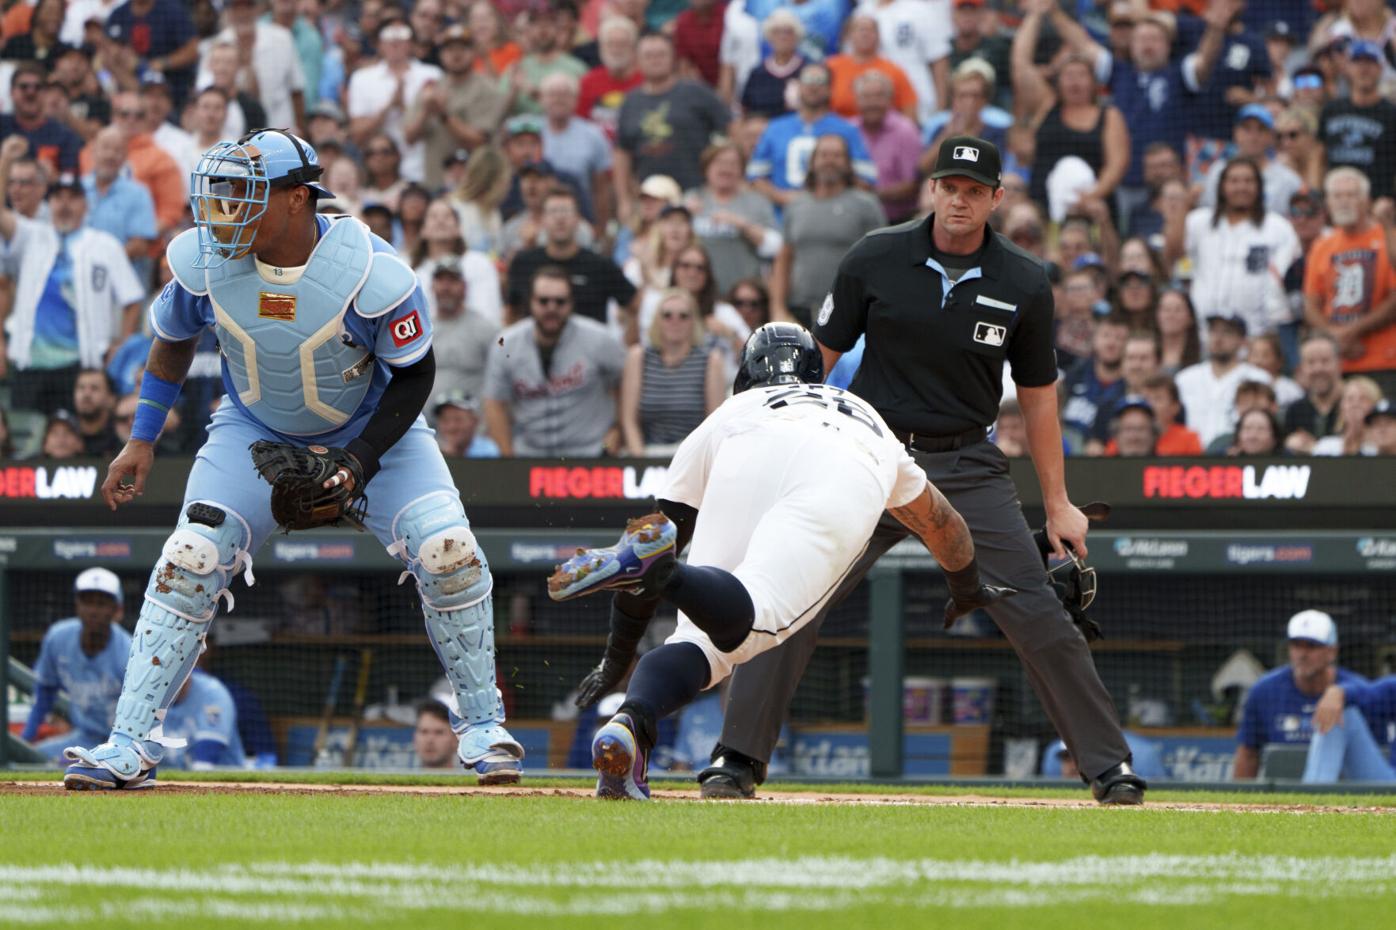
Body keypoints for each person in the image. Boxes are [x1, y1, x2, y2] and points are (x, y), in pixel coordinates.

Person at [60, 130, 523, 790]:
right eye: (220, 192)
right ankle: (129, 743)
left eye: (243, 194)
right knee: (189, 559)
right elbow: (170, 341)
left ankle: (482, 726)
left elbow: (416, 376)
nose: (222, 209)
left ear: (298, 199)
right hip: (250, 428)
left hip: (373, 430)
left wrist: (360, 460)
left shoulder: (371, 270)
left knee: (449, 551)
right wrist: (141, 438)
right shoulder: (204, 260)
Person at [693, 136, 1147, 805]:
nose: (959, 200)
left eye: (974, 190)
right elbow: (810, 360)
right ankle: (736, 757)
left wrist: (1058, 503)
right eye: (949, 187)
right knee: (789, 597)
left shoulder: (1023, 280)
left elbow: (1040, 395)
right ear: (932, 189)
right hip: (866, 453)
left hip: (966, 460)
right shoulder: (876, 255)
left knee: (1038, 612)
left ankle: (1109, 768)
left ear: (997, 199)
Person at [549, 323, 1014, 799]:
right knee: (746, 626)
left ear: (745, 375)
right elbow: (944, 523)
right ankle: (643, 689)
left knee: (701, 639)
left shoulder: (728, 411)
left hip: (746, 450)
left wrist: (616, 656)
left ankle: (631, 720)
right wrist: (966, 587)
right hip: (838, 464)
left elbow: (656, 540)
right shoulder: (862, 412)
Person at [0, 141, 145, 417]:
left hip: (80, 363)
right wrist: (5, 160)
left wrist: (120, 344)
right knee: (26, 438)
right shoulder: (33, 235)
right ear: (49, 202)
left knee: (76, 434)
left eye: (72, 198)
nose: (64, 205)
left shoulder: (105, 244)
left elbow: (132, 298)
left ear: (84, 203)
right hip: (30, 360)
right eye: (58, 198)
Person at [483, 265, 626, 457]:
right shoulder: (506, 343)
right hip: (529, 455)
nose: (552, 308)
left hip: (589, 456)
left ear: (571, 303)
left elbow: (625, 381)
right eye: (543, 301)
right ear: (531, 302)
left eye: (560, 302)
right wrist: (508, 459)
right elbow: (495, 402)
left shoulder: (599, 339)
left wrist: (618, 428)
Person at [1166, 157, 1300, 339]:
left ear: (1259, 187)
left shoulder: (1278, 227)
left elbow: (1290, 279)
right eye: (1234, 181)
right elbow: (1173, 253)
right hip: (1203, 332)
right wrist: (1184, 207)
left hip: (1258, 333)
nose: (1241, 187)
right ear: (1221, 186)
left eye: (1248, 181)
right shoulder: (1200, 221)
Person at [1011, 10, 1130, 211]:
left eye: (1082, 75)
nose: (1075, 81)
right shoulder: (1046, 105)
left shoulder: (1109, 116)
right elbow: (1020, 65)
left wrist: (1089, 197)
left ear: (1094, 83)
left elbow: (1116, 165)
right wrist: (1036, 13)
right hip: (1042, 208)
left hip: (1088, 208)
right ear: (1058, 82)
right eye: (1069, 75)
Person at [1233, 610, 1369, 780]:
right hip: (1279, 796)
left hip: (1344, 798)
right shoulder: (1264, 690)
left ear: (1332, 652)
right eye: (1296, 645)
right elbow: (1248, 753)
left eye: (1312, 646)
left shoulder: (1359, 690)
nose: (1302, 654)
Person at [771, 134, 886, 327]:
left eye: (837, 155)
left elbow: (881, 260)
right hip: (800, 310)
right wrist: (777, 308)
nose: (829, 160)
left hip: (849, 310)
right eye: (823, 155)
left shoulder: (867, 205)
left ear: (848, 163)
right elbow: (784, 260)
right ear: (812, 162)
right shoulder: (795, 206)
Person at [614, 33, 730, 219]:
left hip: (696, 194)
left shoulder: (696, 91)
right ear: (637, 61)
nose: (655, 60)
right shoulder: (630, 101)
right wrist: (624, 200)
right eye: (648, 56)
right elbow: (622, 153)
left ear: (673, 58)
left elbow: (730, 126)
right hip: (649, 198)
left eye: (661, 54)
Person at [20, 568, 130, 763]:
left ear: (117, 611)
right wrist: (27, 739)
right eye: (87, 602)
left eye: (102, 604)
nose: (93, 611)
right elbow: (46, 690)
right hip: (84, 738)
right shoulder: (58, 637)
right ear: (77, 605)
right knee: (32, 759)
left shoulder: (129, 651)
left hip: (123, 745)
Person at [1303, 167, 1396, 395]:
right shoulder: (1322, 245)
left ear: (1367, 201)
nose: (1343, 202)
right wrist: (1335, 338)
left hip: (1384, 360)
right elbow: (1310, 304)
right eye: (1337, 196)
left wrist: (1349, 332)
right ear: (1328, 203)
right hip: (1337, 364)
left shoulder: (1387, 239)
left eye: (1351, 195)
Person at [748, 62, 878, 211]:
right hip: (782, 219)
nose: (813, 87)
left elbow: (867, 179)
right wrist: (782, 197)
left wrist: (829, 197)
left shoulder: (847, 130)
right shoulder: (775, 128)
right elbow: (755, 177)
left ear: (830, 88)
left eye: (819, 81)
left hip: (833, 216)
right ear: (798, 86)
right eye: (808, 80)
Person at [506, 187, 636, 331]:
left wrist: (628, 341)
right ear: (542, 219)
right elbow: (511, 313)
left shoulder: (600, 265)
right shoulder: (524, 262)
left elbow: (634, 304)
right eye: (553, 212)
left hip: (589, 349)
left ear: (578, 219)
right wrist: (509, 350)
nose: (560, 218)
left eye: (566, 211)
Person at [403, 24, 509, 194]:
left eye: (462, 48)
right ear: (441, 54)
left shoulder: (488, 90)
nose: (456, 54)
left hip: (477, 187)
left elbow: (478, 140)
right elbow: (408, 137)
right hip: (437, 184)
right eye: (450, 49)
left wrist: (443, 115)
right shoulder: (431, 88)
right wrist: (425, 112)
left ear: (473, 52)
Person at [619, 288, 726, 456]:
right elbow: (629, 420)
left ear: (694, 322)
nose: (675, 321)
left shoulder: (711, 360)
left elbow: (715, 423)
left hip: (691, 455)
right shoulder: (638, 357)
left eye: (683, 316)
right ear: (657, 321)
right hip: (646, 452)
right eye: (667, 315)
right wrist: (641, 463)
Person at [346, 21, 443, 186]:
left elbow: (438, 123)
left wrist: (404, 107)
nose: (395, 45)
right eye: (390, 41)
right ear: (380, 45)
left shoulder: (432, 75)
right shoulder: (362, 78)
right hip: (379, 172)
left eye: (401, 40)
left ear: (411, 44)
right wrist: (390, 106)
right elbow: (357, 133)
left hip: (422, 166)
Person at [688, 141, 782, 295]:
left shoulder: (757, 202)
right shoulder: (692, 199)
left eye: (732, 163)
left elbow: (776, 247)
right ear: (706, 167)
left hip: (742, 298)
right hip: (700, 295)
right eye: (719, 162)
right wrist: (686, 216)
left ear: (742, 169)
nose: (726, 168)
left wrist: (743, 225)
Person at [1174, 313, 1271, 447]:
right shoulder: (1185, 378)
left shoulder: (1257, 378)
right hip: (1191, 456)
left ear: (1243, 341)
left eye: (1227, 332)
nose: (1218, 338)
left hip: (1234, 456)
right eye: (1213, 331)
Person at [1317, 41, 1396, 203]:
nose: (1364, 69)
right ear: (1346, 68)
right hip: (1335, 200)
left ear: (1381, 68)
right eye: (1358, 62)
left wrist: (1390, 200)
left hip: (1376, 202)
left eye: (1370, 63)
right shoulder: (1331, 110)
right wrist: (1318, 195)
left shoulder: (1391, 114)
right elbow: (1318, 157)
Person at [1198, 104, 1304, 216]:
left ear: (1271, 136)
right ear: (1236, 133)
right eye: (1246, 128)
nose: (1253, 136)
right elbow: (1208, 213)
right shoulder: (1218, 171)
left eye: (1261, 129)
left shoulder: (1287, 179)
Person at [423, 255, 499, 401]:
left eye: (452, 281)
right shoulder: (423, 331)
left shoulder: (484, 329)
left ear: (465, 286)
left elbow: (502, 375)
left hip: (473, 419)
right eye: (440, 281)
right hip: (429, 419)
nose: (446, 287)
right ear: (432, 286)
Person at [852, 70, 922, 224]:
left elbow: (912, 185)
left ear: (890, 99)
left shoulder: (905, 131)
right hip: (853, 219)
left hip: (898, 220)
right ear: (856, 100)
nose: (872, 103)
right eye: (866, 97)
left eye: (878, 96)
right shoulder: (849, 130)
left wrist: (872, 193)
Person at [82, 126, 158, 267]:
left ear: (125, 156)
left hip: (122, 275)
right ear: (93, 151)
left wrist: (101, 264)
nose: (110, 155)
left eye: (117, 150)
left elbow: (140, 245)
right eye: (105, 148)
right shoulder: (77, 190)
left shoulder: (138, 194)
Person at [1307, 667, 1396, 783]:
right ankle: (1313, 794)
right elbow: (1367, 694)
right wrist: (1338, 692)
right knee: (1343, 714)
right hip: (1390, 783)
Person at [826, 13, 919, 122]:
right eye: (860, 30)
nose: (865, 34)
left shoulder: (894, 70)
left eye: (870, 30)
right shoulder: (832, 67)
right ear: (848, 35)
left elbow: (909, 111)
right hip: (837, 133)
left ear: (878, 36)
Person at [0, 62, 83, 178]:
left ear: (46, 93)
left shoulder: (65, 136)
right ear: (11, 92)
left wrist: (53, 177)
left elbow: (71, 182)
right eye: (24, 87)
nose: (30, 92)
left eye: (37, 87)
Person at [157, 665, 244, 769]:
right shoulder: (147, 699)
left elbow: (207, 757)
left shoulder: (212, 692)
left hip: (225, 781)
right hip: (173, 780)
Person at [578, 16, 643, 142]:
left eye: (622, 44)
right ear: (601, 47)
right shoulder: (588, 82)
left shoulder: (646, 81)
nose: (616, 50)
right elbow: (580, 126)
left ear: (634, 47)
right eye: (610, 44)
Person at [1283, 333, 1344, 454]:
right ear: (1302, 368)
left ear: (1339, 363)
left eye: (1325, 361)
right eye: (1311, 362)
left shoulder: (1357, 403)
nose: (1318, 368)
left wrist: (1315, 448)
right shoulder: (1294, 410)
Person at [1312, 376, 1383, 457]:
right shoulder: (1325, 447)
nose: (1355, 404)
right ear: (1341, 408)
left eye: (1363, 399)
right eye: (1350, 399)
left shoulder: (1381, 449)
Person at [432, 389, 499, 459]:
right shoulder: (432, 450)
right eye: (445, 420)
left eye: (458, 419)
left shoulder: (489, 452)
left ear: (475, 421)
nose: (451, 427)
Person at [413, 698, 458, 769]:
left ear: (455, 740)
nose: (429, 740)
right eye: (424, 732)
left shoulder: (474, 779)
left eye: (439, 732)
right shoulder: (398, 779)